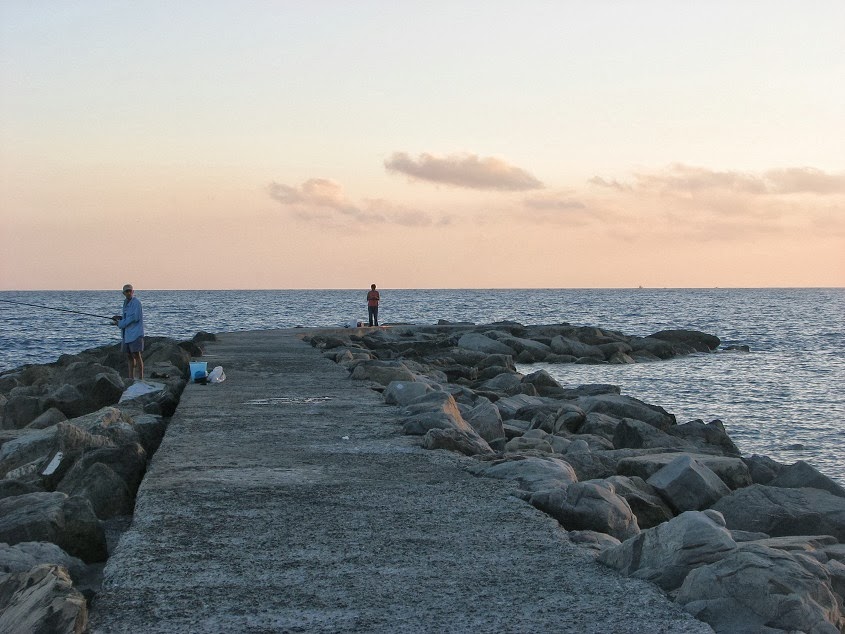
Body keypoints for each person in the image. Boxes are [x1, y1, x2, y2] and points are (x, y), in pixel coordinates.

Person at [112, 284, 145, 380]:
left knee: (137, 355)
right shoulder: (125, 303)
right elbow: (127, 317)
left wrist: (120, 323)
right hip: (127, 334)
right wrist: (119, 319)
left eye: (130, 291)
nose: (129, 293)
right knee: (129, 355)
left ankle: (141, 378)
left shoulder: (136, 303)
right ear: (124, 293)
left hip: (136, 334)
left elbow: (135, 318)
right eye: (127, 291)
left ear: (133, 292)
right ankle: (131, 378)